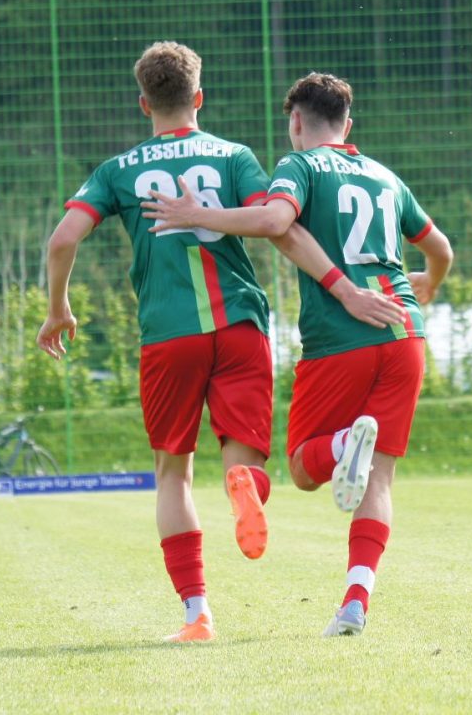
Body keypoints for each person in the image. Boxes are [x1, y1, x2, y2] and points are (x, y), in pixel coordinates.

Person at [141, 71, 454, 637]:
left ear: (295, 122)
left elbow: (274, 222)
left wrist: (196, 215)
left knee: (305, 467)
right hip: (405, 328)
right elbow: (441, 248)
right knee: (379, 478)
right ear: (348, 124)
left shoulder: (300, 166)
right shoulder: (385, 176)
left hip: (341, 336)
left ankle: (343, 442)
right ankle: (355, 603)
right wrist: (428, 282)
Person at [37, 41, 279, 644]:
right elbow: (271, 220)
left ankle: (197, 614)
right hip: (240, 323)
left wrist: (58, 308)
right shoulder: (234, 156)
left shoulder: (118, 169)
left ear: (144, 103)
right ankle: (244, 485)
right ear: (199, 97)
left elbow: (63, 240)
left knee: (173, 473)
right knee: (242, 455)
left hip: (169, 335)